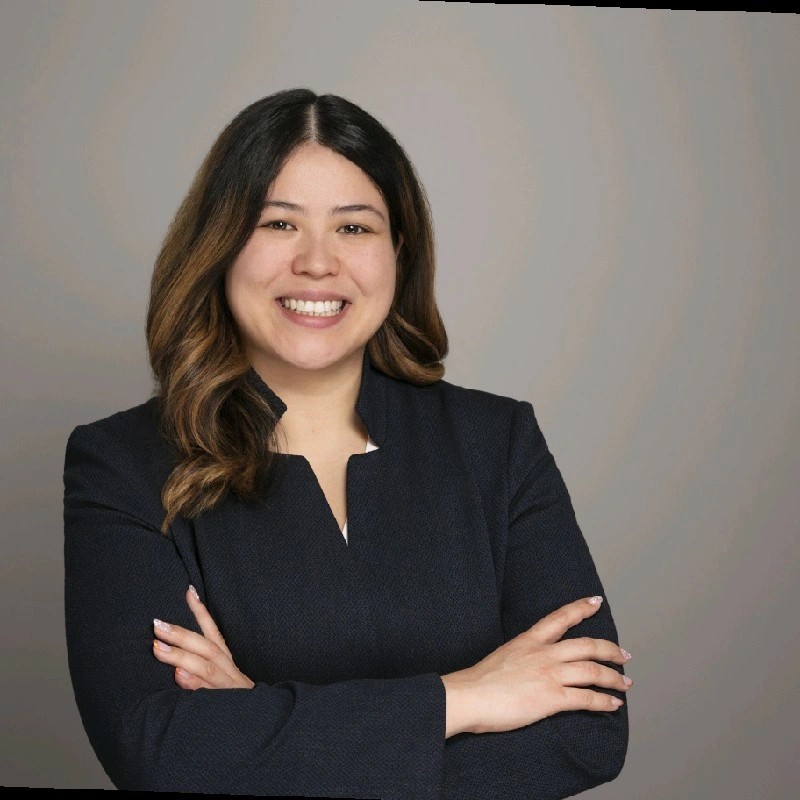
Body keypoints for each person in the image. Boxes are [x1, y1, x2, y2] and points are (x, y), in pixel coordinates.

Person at [63, 88, 631, 799]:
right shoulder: (120, 464)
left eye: (354, 228)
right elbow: (158, 751)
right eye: (278, 223)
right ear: (219, 244)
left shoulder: (498, 443)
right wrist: (464, 698)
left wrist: (258, 723)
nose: (317, 262)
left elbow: (588, 733)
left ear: (398, 253)